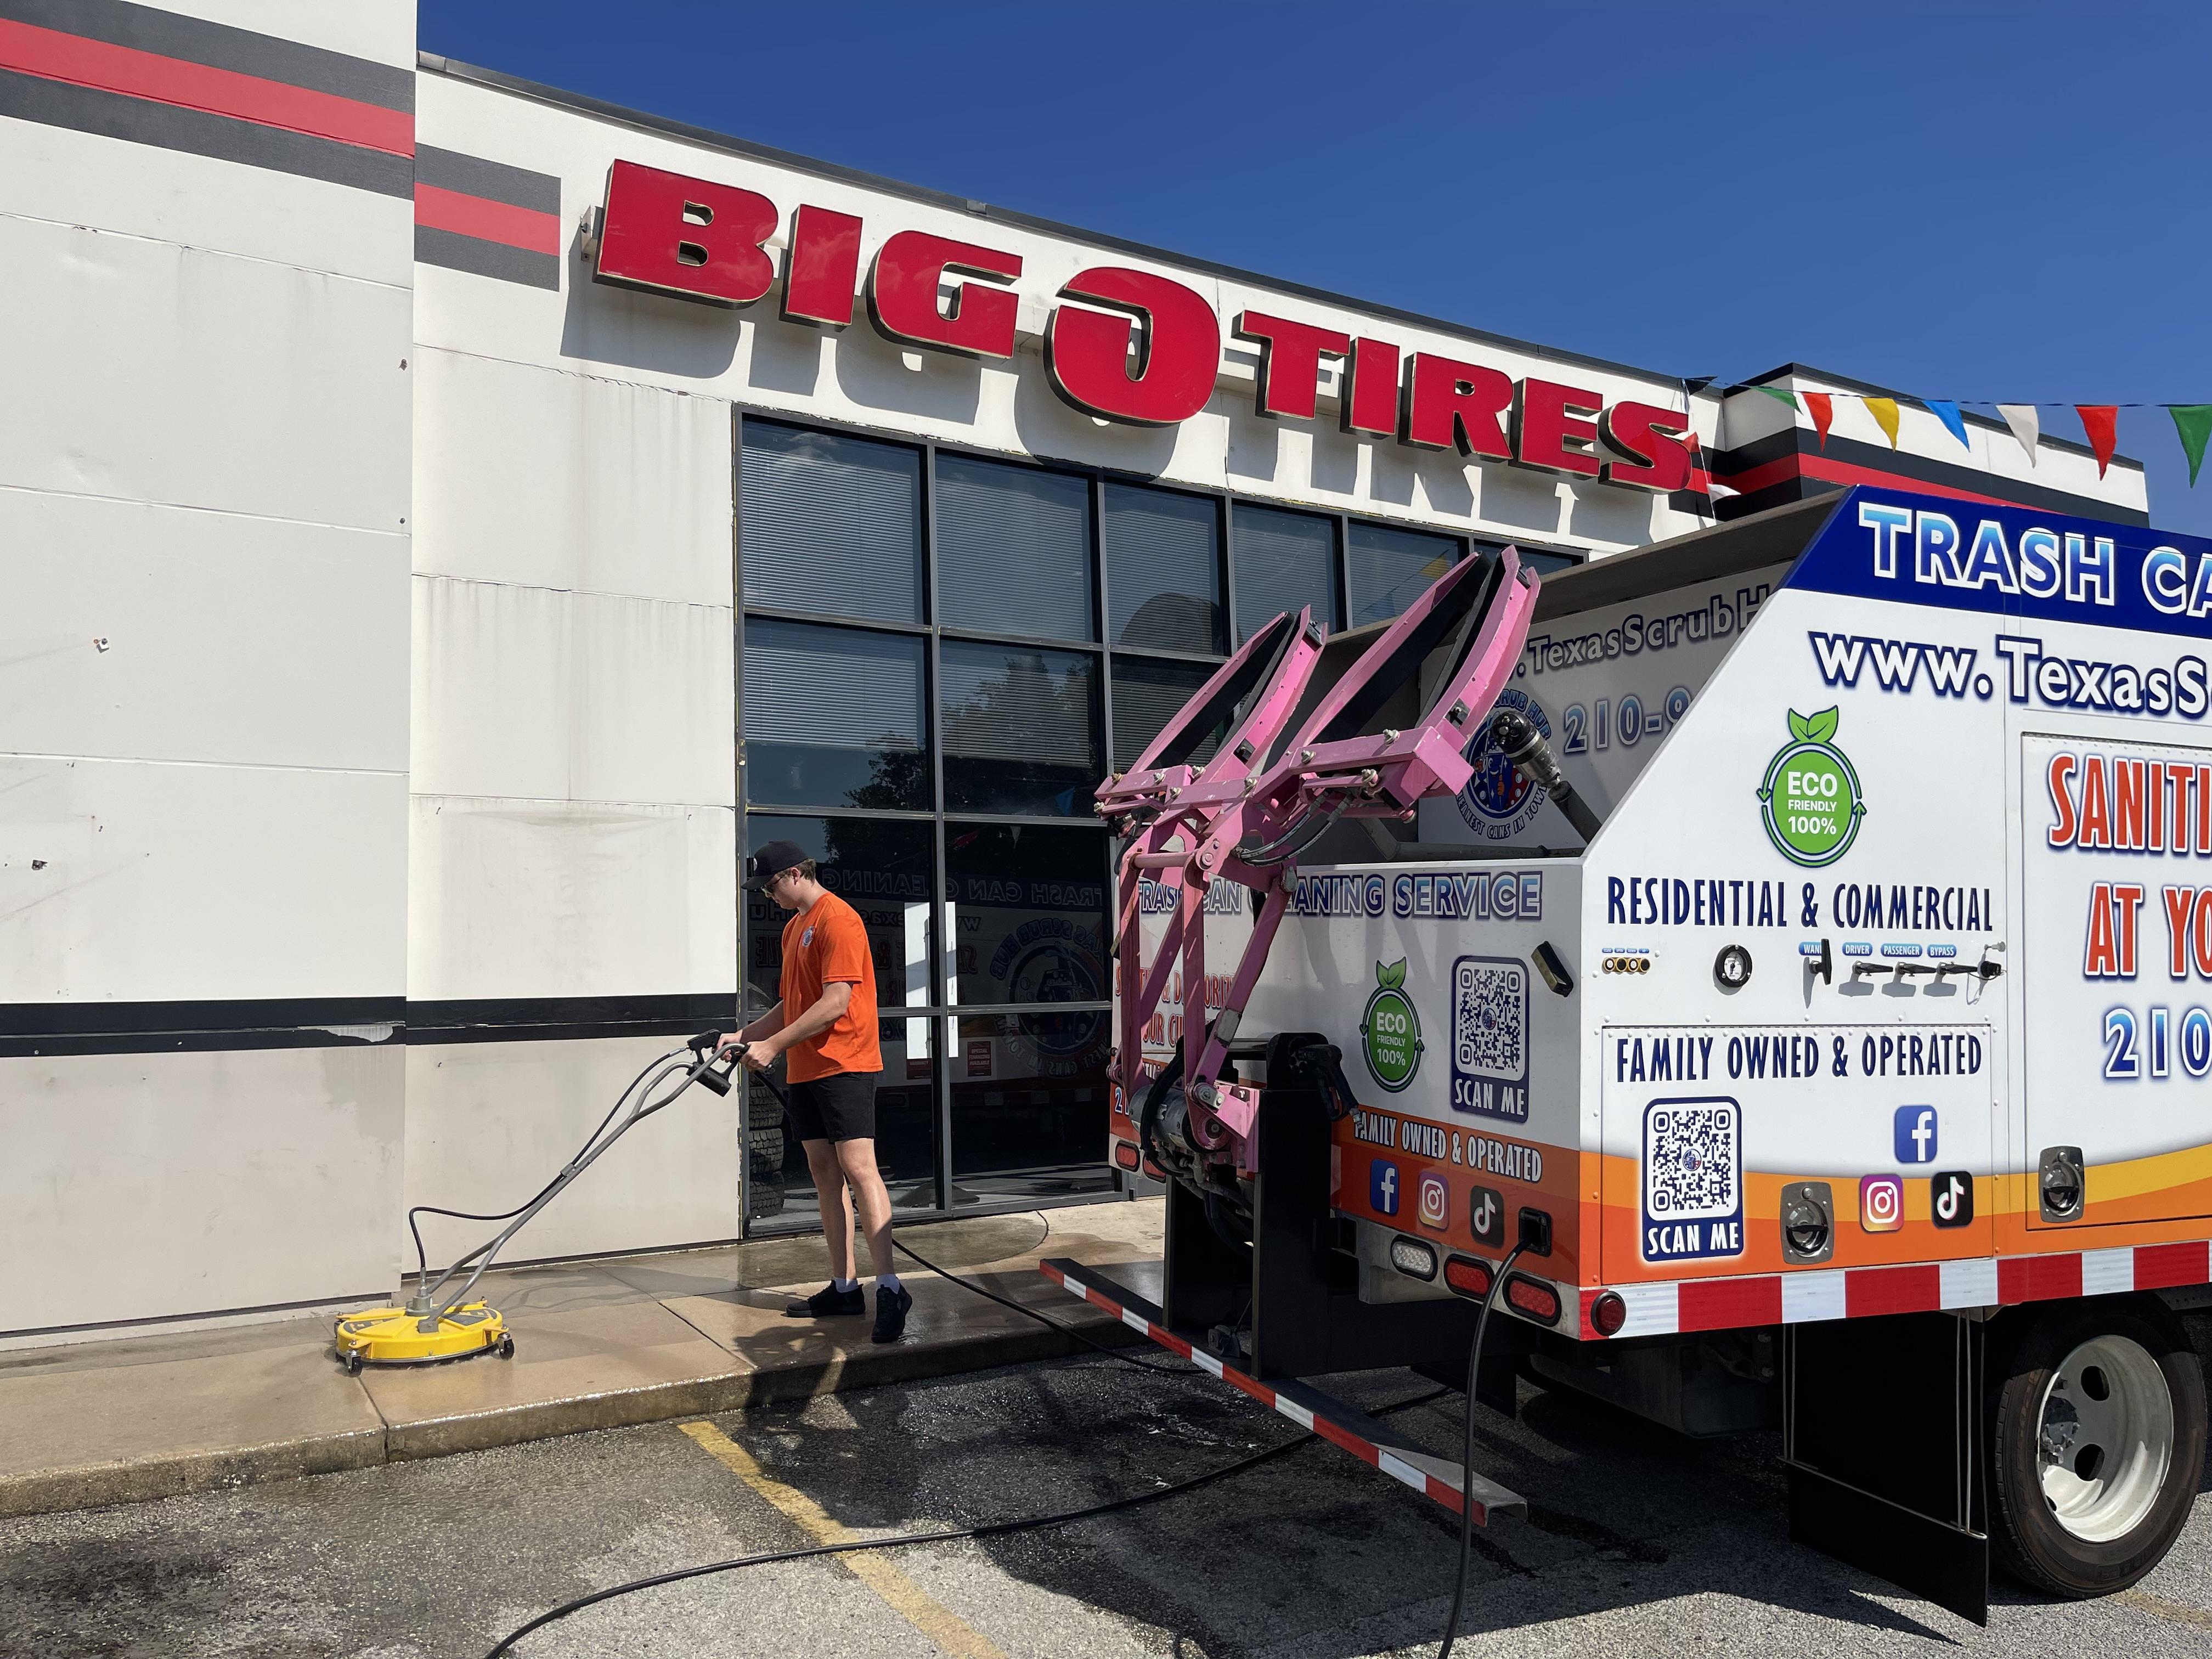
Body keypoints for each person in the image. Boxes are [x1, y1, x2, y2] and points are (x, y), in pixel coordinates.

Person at [720, 839, 912, 1343]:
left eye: (769, 886)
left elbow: (835, 1002)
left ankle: (890, 1287)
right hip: (807, 1069)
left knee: (858, 1169)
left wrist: (774, 1046)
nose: (767, 896)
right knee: (824, 1173)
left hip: (845, 1062)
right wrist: (746, 1037)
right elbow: (793, 1004)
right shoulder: (792, 929)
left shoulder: (838, 919)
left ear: (793, 875)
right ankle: (845, 1286)